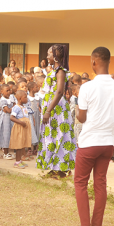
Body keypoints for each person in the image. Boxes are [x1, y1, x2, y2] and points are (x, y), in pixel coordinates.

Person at [70, 47, 114, 226]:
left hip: (90, 141)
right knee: (100, 183)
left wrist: (77, 110)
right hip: (108, 142)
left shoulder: (88, 87)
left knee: (80, 183)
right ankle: (95, 225)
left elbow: (82, 118)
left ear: (93, 62)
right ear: (109, 61)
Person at [38, 44, 77, 178]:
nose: (47, 56)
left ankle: (62, 169)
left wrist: (48, 110)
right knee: (53, 137)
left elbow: (59, 92)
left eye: (49, 54)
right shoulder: (53, 70)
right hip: (52, 108)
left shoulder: (60, 71)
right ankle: (55, 167)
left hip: (57, 109)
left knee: (60, 135)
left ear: (55, 57)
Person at [9, 89, 32, 168]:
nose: (27, 99)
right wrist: (21, 122)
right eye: (25, 97)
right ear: (19, 99)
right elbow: (12, 117)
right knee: (18, 145)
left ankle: (20, 160)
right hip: (19, 128)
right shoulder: (16, 107)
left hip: (24, 128)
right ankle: (17, 162)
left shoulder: (24, 107)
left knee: (22, 144)